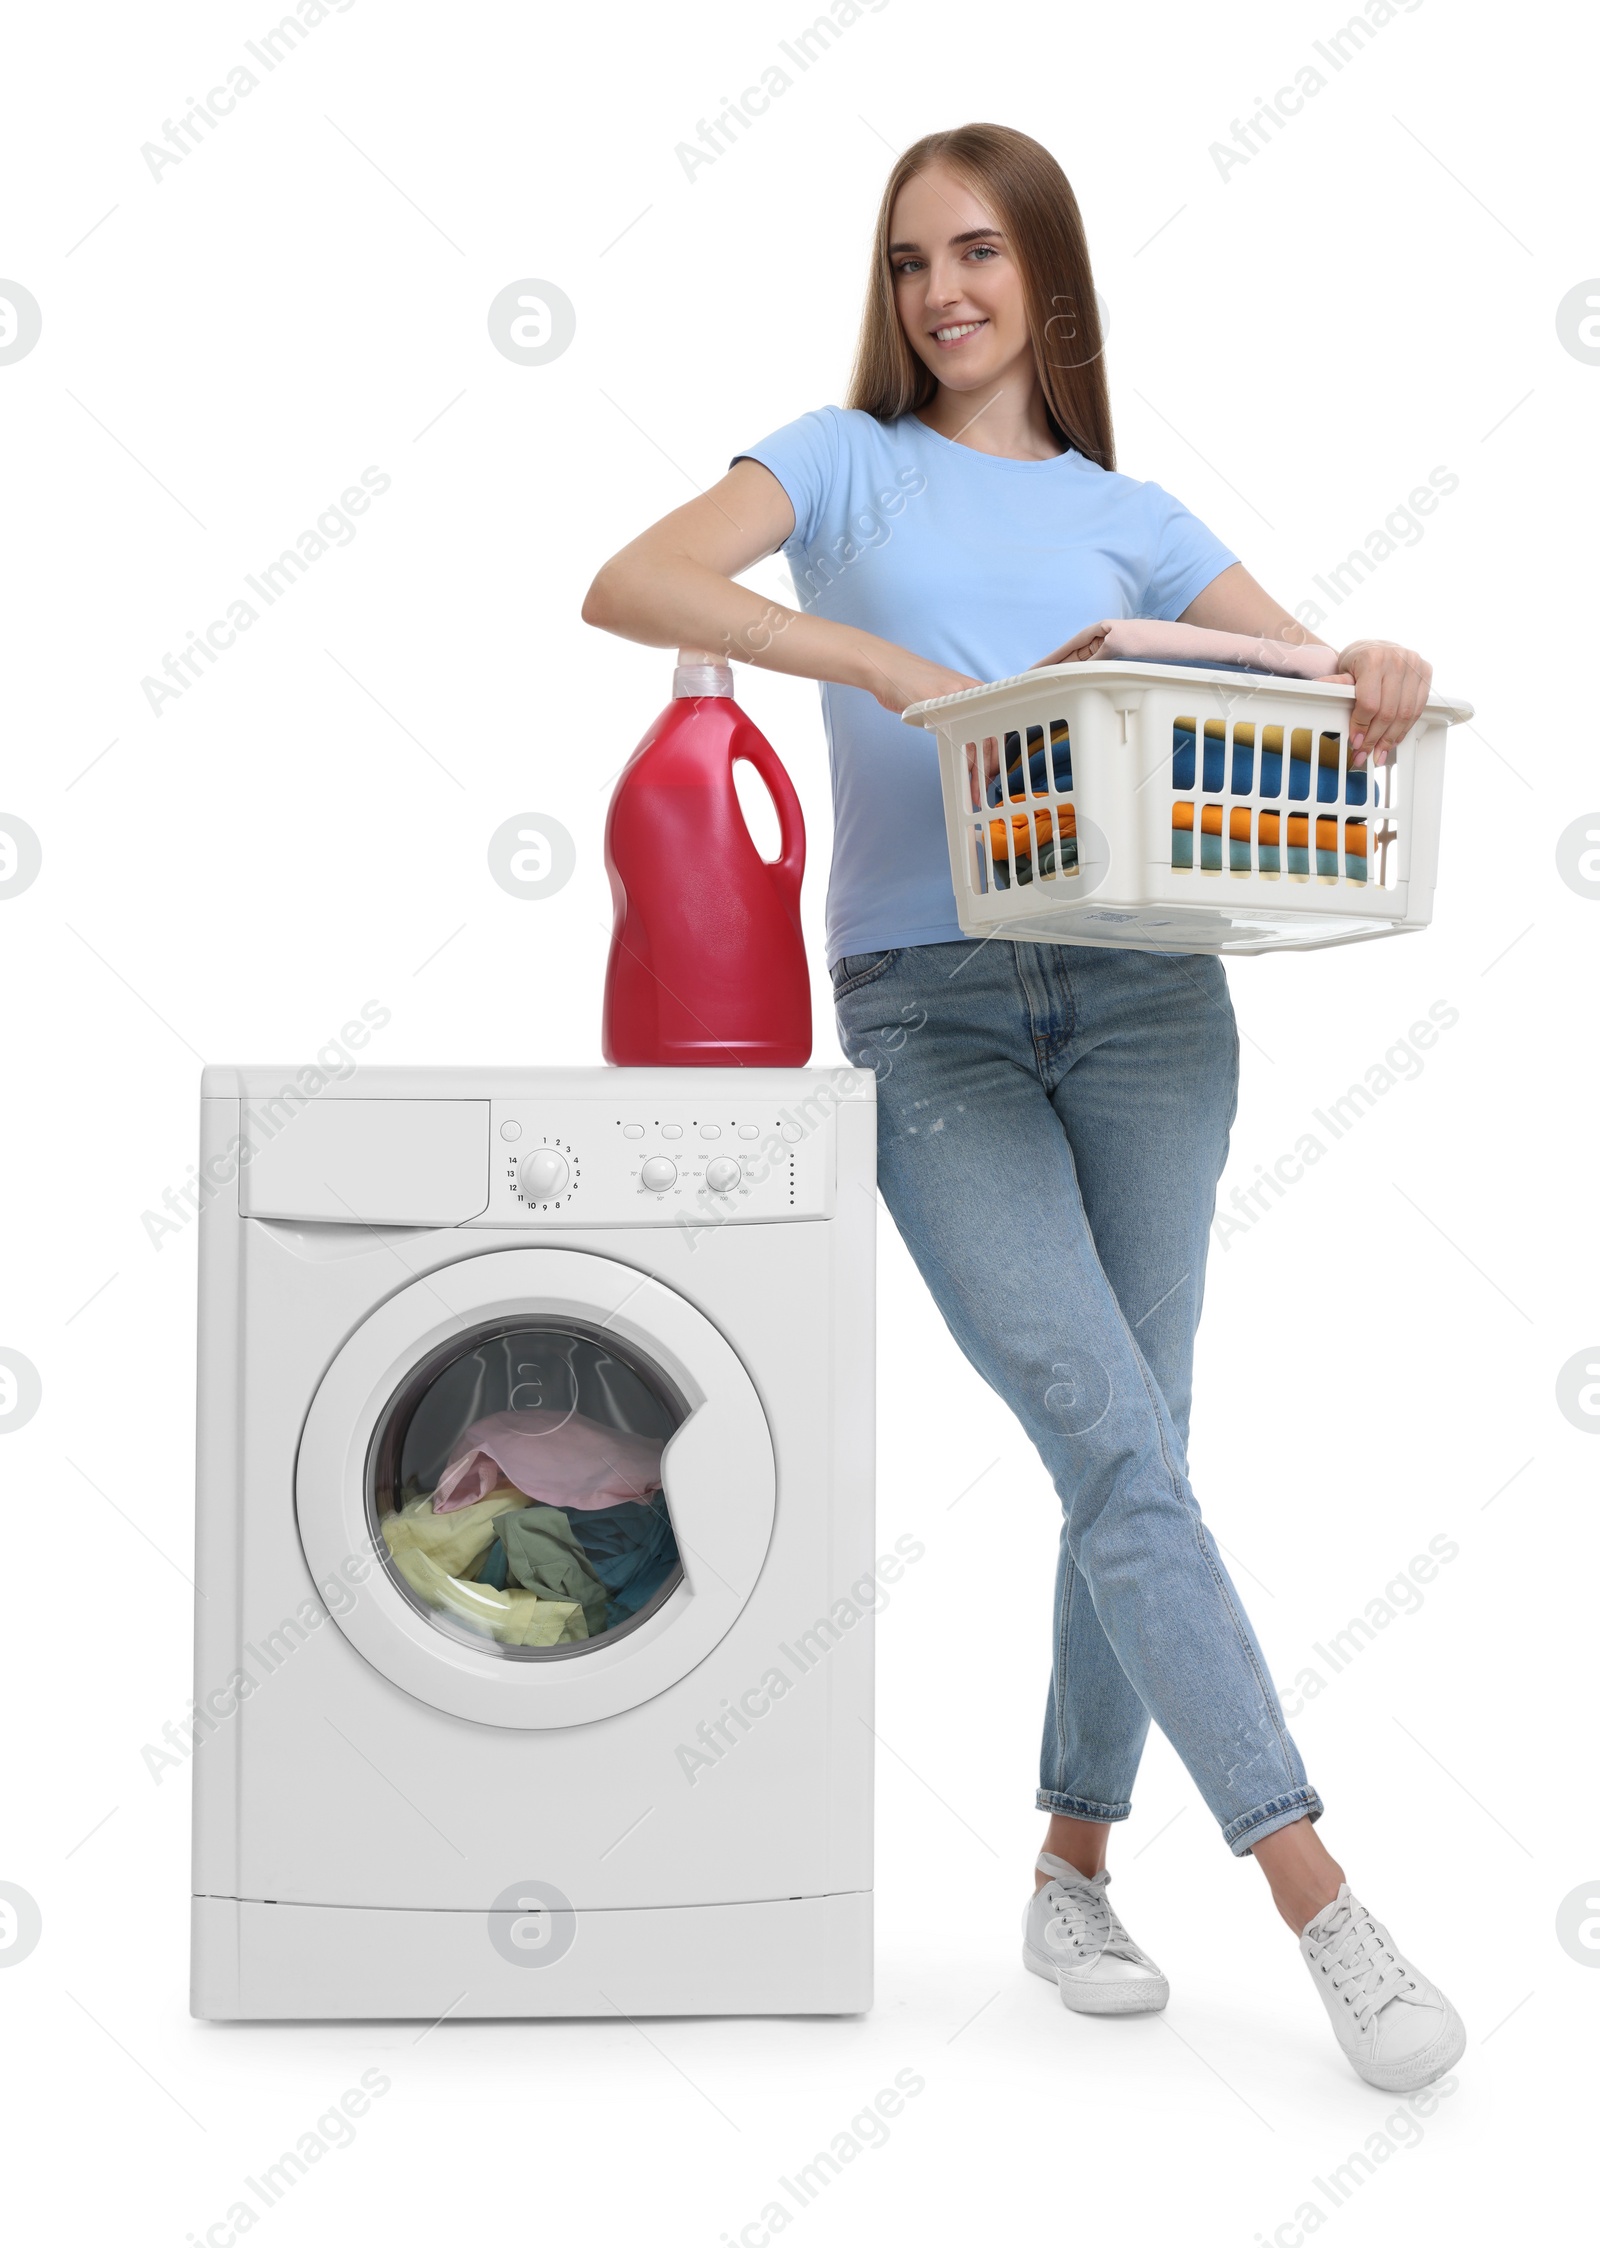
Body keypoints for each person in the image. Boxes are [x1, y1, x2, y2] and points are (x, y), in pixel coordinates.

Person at [583, 121, 1462, 2091]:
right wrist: (878, 662)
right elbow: (629, 581)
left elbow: (1315, 679)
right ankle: (1319, 1894)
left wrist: (1371, 660)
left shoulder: (1128, 513)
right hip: (929, 1010)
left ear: (1043, 279)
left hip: (1150, 1005)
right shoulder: (831, 460)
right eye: (907, 263)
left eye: (973, 253)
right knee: (1107, 1430)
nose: (938, 292)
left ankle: (1071, 1855)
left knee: (1130, 1445)